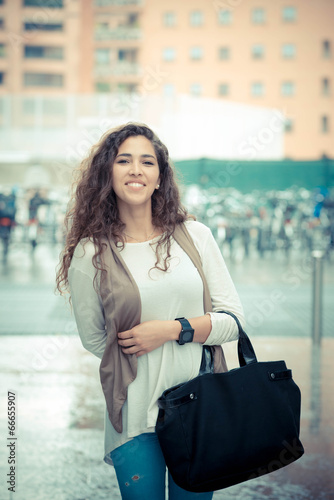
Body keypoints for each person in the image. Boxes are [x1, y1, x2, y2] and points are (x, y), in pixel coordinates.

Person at [56, 123, 245, 500]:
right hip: (133, 415)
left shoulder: (196, 237)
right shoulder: (90, 253)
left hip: (198, 409)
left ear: (160, 177)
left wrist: (169, 331)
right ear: (107, 173)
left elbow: (233, 322)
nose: (136, 169)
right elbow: (95, 338)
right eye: (123, 160)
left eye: (147, 161)